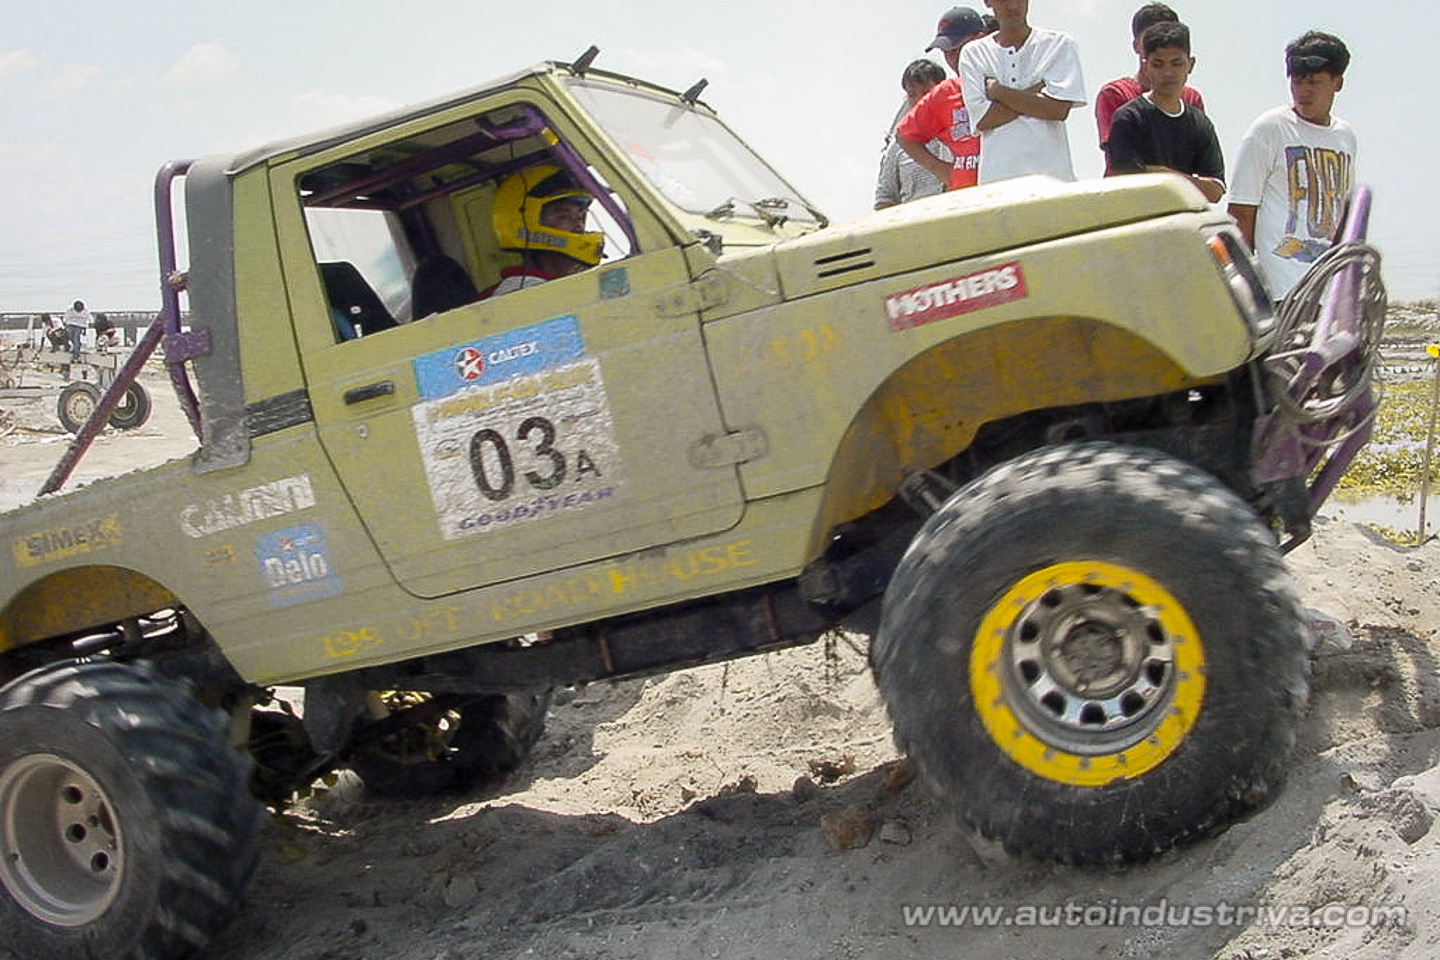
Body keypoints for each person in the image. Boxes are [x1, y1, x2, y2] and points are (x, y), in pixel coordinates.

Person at [1227, 31, 1356, 300]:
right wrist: (1245, 290)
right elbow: (1241, 212)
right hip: (1281, 291)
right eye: (1297, 82)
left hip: (1328, 291)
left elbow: (1344, 216)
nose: (1303, 91)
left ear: (1337, 82)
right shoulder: (1270, 129)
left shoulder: (1345, 137)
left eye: (1314, 82)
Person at [959, 0, 1086, 184]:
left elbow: (1058, 110)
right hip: (997, 185)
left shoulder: (1059, 44)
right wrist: (1034, 93)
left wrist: (999, 92)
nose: (1012, 6)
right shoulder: (973, 54)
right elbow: (983, 119)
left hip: (1053, 181)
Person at [1104, 22, 1225, 203]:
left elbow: (1215, 190)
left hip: (1185, 217)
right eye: (1158, 64)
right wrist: (1190, 183)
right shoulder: (1128, 118)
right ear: (1146, 66)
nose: (1168, 73)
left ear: (1190, 64)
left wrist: (1162, 174)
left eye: (1176, 63)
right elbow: (1130, 182)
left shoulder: (1200, 123)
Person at [1094, 3, 1205, 172]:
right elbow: (1122, 160)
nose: (1161, 42)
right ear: (1136, 45)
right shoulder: (1115, 94)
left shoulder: (1191, 99)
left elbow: (1203, 162)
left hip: (1179, 189)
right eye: (1152, 37)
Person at [892, 8, 992, 196]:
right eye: (946, 52)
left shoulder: (1009, 78)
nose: (953, 59)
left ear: (980, 39)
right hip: (965, 196)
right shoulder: (945, 93)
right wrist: (946, 172)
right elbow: (904, 136)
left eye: (957, 49)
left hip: (1010, 187)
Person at [483, 164, 604, 298]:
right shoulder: (518, 292)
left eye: (580, 216)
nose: (579, 225)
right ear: (525, 222)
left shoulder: (559, 283)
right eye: (563, 215)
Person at [876, 60, 950, 209]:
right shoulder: (897, 146)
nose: (919, 101)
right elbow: (884, 200)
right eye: (912, 95)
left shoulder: (961, 133)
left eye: (926, 93)